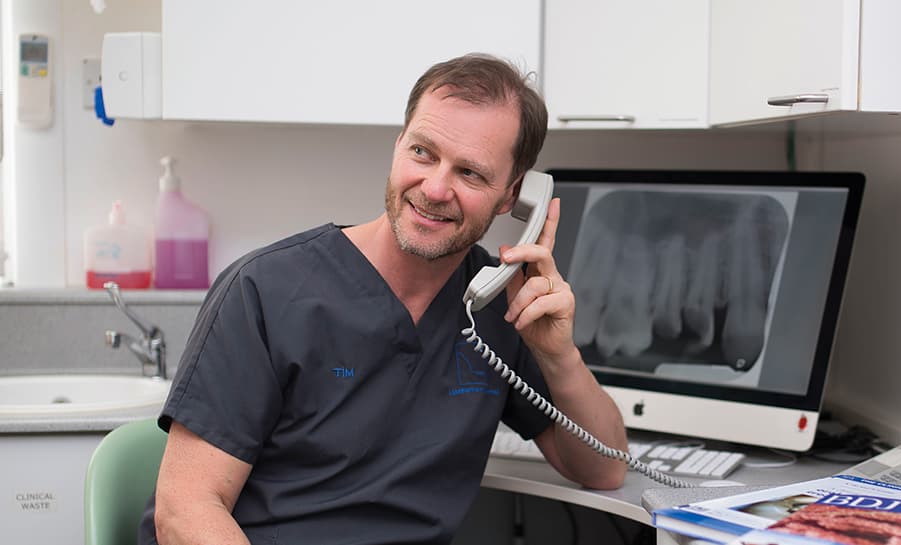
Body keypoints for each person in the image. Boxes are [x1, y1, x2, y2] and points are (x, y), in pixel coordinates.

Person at [138, 53, 629, 545]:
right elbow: (184, 509)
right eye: (422, 152)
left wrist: (557, 354)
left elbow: (604, 471)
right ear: (398, 147)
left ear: (514, 197)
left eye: (471, 174)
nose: (435, 188)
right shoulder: (264, 292)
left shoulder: (497, 307)